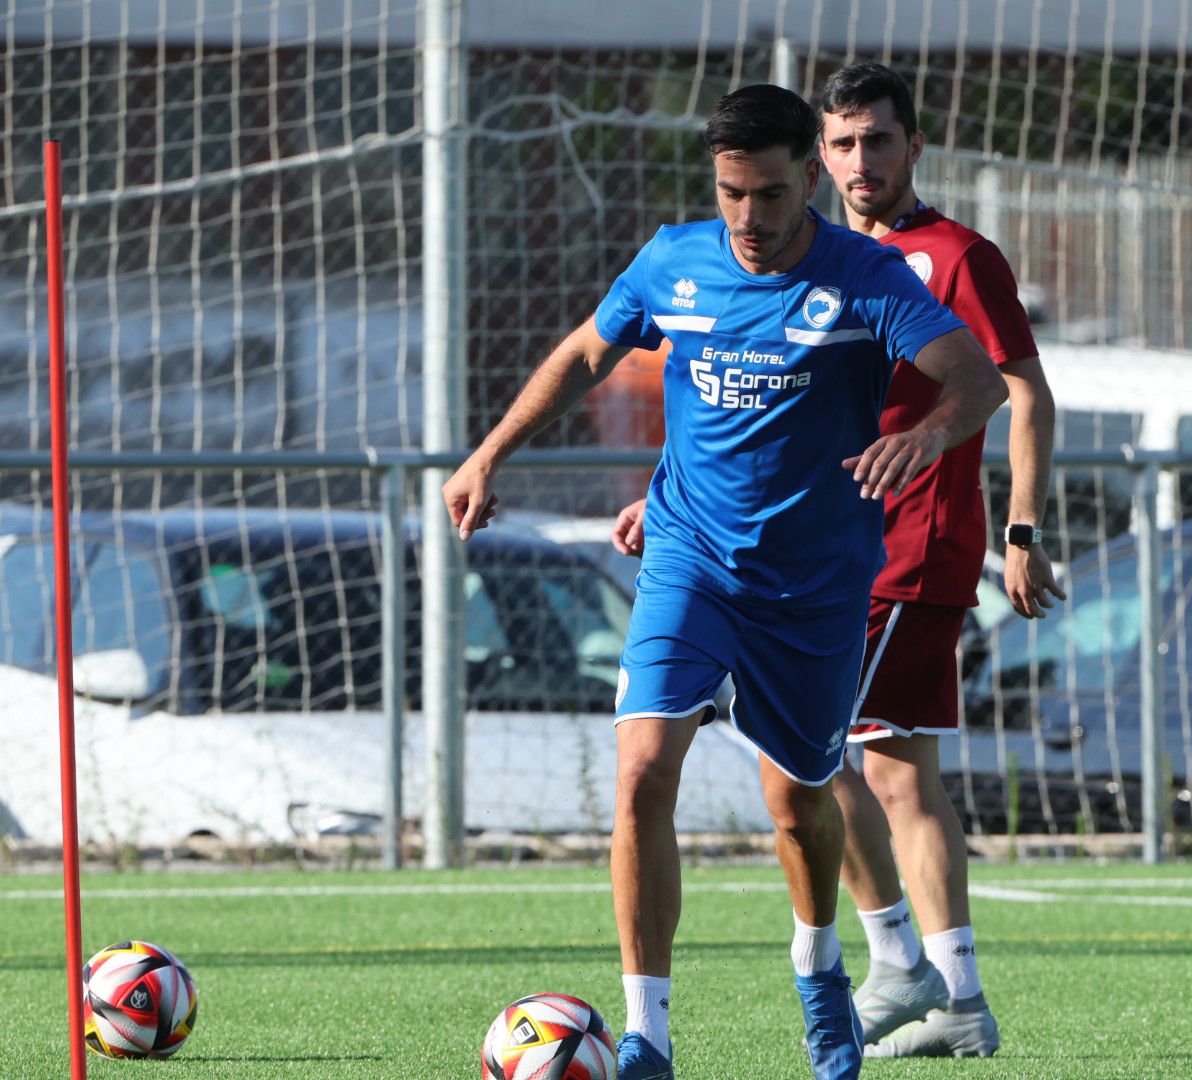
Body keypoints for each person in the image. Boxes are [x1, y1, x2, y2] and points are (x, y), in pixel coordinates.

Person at [444, 83, 1007, 1080]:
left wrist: (920, 439)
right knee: (641, 772)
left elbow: (976, 380)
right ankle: (645, 1036)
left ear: (811, 184)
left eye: (772, 196)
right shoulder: (673, 259)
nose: (749, 219)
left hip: (816, 587)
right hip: (688, 561)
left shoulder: (866, 278)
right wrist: (491, 453)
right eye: (731, 194)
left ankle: (818, 963)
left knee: (801, 806)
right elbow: (585, 352)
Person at [818, 61, 1063, 1058]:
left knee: (811, 753)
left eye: (878, 139)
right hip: (827, 553)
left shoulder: (958, 255)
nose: (861, 160)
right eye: (842, 143)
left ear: (915, 146)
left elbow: (1027, 392)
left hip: (912, 549)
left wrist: (1021, 529)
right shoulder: (816, 256)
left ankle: (896, 962)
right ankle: (956, 997)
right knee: (897, 776)